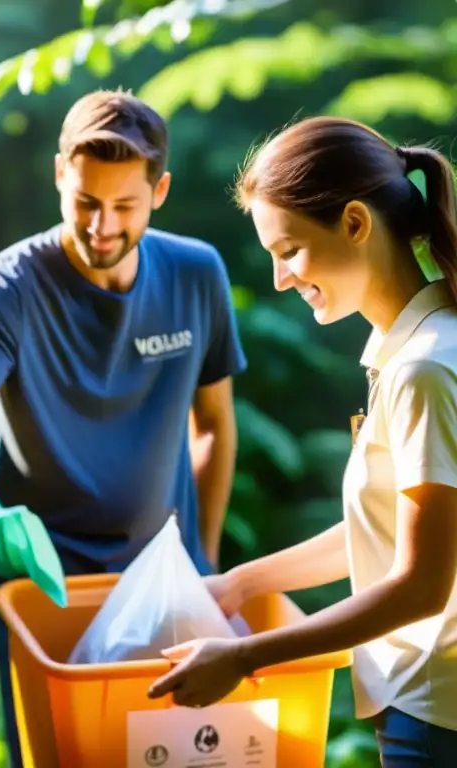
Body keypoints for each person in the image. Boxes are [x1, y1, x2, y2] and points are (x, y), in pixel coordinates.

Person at [0, 88, 247, 766]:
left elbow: (213, 424)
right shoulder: (6, 285)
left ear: (160, 191)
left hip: (161, 584)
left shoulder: (196, 273)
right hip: (46, 590)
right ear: (58, 176)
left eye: (124, 206)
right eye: (85, 202)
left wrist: (205, 561)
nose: (101, 226)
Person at [146, 116, 457, 764]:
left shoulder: (426, 367)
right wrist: (240, 584)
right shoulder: (409, 353)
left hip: (435, 710)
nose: (281, 277)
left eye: (288, 249)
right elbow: (387, 528)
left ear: (353, 223)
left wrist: (245, 655)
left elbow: (421, 584)